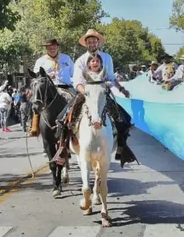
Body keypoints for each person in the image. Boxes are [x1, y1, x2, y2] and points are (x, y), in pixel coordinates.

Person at [55, 29, 134, 164]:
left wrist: (120, 88)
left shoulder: (107, 57)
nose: (92, 44)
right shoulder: (81, 60)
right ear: (86, 44)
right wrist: (84, 92)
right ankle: (63, 149)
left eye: (94, 41)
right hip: (84, 93)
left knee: (124, 118)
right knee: (63, 118)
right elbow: (77, 81)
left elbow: (110, 76)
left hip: (102, 93)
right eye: (89, 42)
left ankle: (122, 147)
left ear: (98, 43)